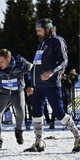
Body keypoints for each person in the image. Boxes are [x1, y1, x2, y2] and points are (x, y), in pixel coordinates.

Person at [24, 18, 80, 153]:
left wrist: (52, 71)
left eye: (39, 31)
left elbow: (64, 61)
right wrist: (32, 84)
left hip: (51, 85)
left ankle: (78, 137)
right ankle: (39, 143)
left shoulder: (57, 41)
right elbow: (36, 65)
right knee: (36, 114)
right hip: (38, 86)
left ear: (48, 29)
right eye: (37, 31)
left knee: (59, 113)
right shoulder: (41, 44)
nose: (37, 33)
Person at [0, 48, 32, 150]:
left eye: (1, 62)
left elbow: (34, 70)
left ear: (9, 59)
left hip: (17, 92)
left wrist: (31, 85)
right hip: (2, 93)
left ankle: (18, 131)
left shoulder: (21, 63)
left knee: (21, 111)